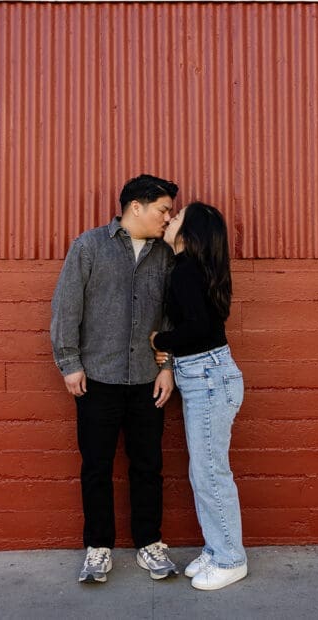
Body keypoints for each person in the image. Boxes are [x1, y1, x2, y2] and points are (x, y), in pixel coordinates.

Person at [50, 174, 181, 584]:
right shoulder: (89, 246)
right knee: (96, 466)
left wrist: (167, 367)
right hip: (97, 378)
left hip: (147, 380)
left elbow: (172, 315)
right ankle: (98, 548)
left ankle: (149, 544)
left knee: (148, 466)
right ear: (136, 207)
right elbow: (67, 306)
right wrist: (69, 362)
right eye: (163, 210)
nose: (167, 218)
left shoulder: (166, 255)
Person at [150, 202, 248, 591]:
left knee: (210, 473)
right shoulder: (192, 270)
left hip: (208, 376)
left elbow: (197, 329)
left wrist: (159, 340)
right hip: (206, 375)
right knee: (202, 471)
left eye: (177, 218)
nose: (169, 220)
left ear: (190, 234)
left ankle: (230, 558)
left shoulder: (187, 271)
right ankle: (215, 547)